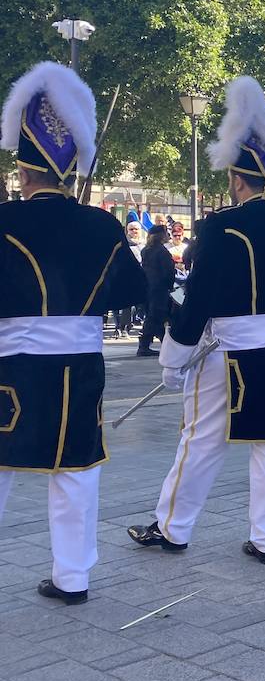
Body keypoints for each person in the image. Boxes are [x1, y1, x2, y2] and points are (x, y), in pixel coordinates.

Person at [128, 76, 265, 563]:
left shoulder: (219, 227)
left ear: (238, 179)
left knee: (201, 439)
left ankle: (173, 530)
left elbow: (197, 301)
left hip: (226, 353)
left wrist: (173, 358)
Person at [0, 62, 143, 603]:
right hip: (81, 365)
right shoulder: (102, 224)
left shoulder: (5, 221)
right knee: (76, 470)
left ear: (24, 170)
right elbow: (128, 291)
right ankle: (73, 577)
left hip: (13, 364)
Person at [136, 225, 175, 356]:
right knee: (155, 315)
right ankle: (144, 345)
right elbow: (168, 271)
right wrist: (170, 285)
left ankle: (166, 343)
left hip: (148, 286)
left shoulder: (147, 250)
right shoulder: (162, 251)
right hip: (159, 287)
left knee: (158, 315)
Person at [116, 219, 143, 336]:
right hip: (126, 275)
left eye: (136, 229)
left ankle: (132, 322)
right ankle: (122, 326)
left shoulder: (144, 244)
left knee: (138, 304)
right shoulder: (124, 243)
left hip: (141, 275)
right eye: (131, 229)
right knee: (126, 305)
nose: (134, 232)